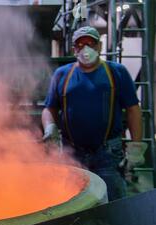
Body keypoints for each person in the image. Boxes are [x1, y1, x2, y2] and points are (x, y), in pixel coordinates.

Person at [42, 26, 147, 201]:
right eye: (80, 44)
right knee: (72, 203)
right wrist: (50, 126)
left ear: (99, 46)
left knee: (113, 204)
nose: (85, 49)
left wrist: (136, 146)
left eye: (90, 43)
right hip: (72, 153)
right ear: (74, 48)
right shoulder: (62, 74)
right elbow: (49, 108)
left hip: (107, 154)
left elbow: (133, 110)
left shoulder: (116, 72)